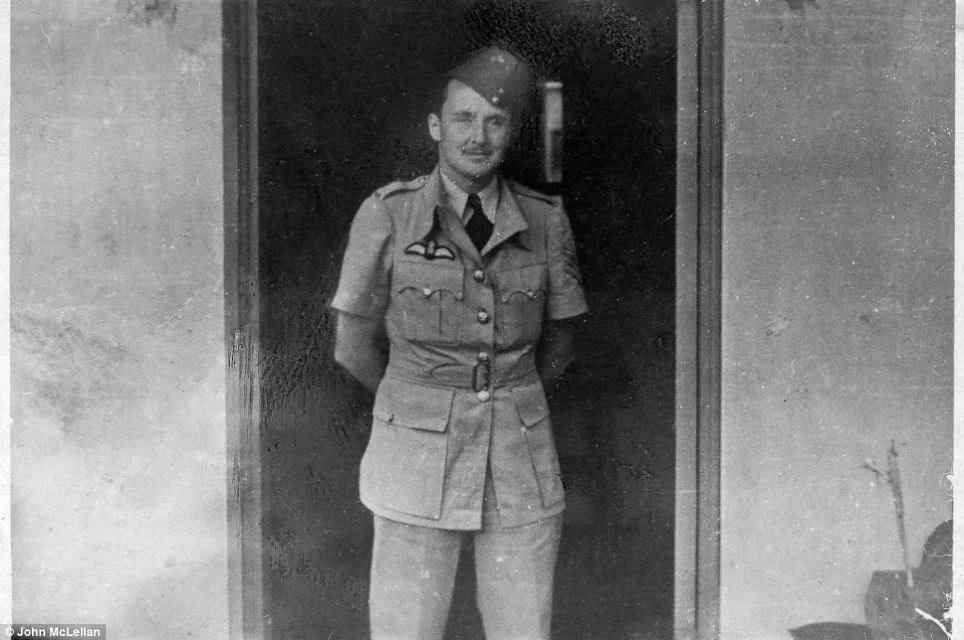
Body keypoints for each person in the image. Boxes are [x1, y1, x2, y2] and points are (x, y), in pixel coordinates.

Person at [331, 45, 588, 640]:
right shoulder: (387, 215)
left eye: (495, 122)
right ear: (435, 126)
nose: (478, 136)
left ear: (511, 132)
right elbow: (352, 345)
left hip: (518, 459)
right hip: (414, 456)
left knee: (523, 628)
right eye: (464, 119)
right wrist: (418, 398)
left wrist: (504, 393)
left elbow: (561, 343)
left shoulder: (544, 220)